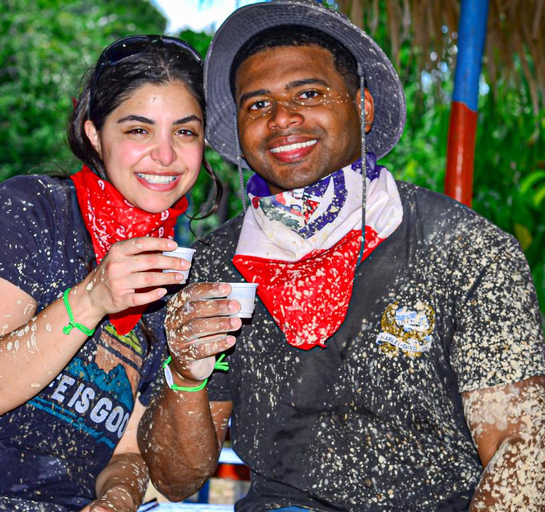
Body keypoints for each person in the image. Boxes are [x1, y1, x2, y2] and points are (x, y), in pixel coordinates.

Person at [138, 1, 545, 511]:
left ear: (363, 107)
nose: (282, 119)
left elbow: (520, 449)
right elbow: (176, 480)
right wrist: (184, 372)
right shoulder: (216, 266)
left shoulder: (466, 250)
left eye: (308, 93)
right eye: (257, 104)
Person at [0, 35, 218, 511]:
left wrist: (119, 497)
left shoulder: (174, 278)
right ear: (94, 134)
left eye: (185, 132)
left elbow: (128, 449)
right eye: (138, 130)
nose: (166, 155)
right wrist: (92, 298)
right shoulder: (26, 212)